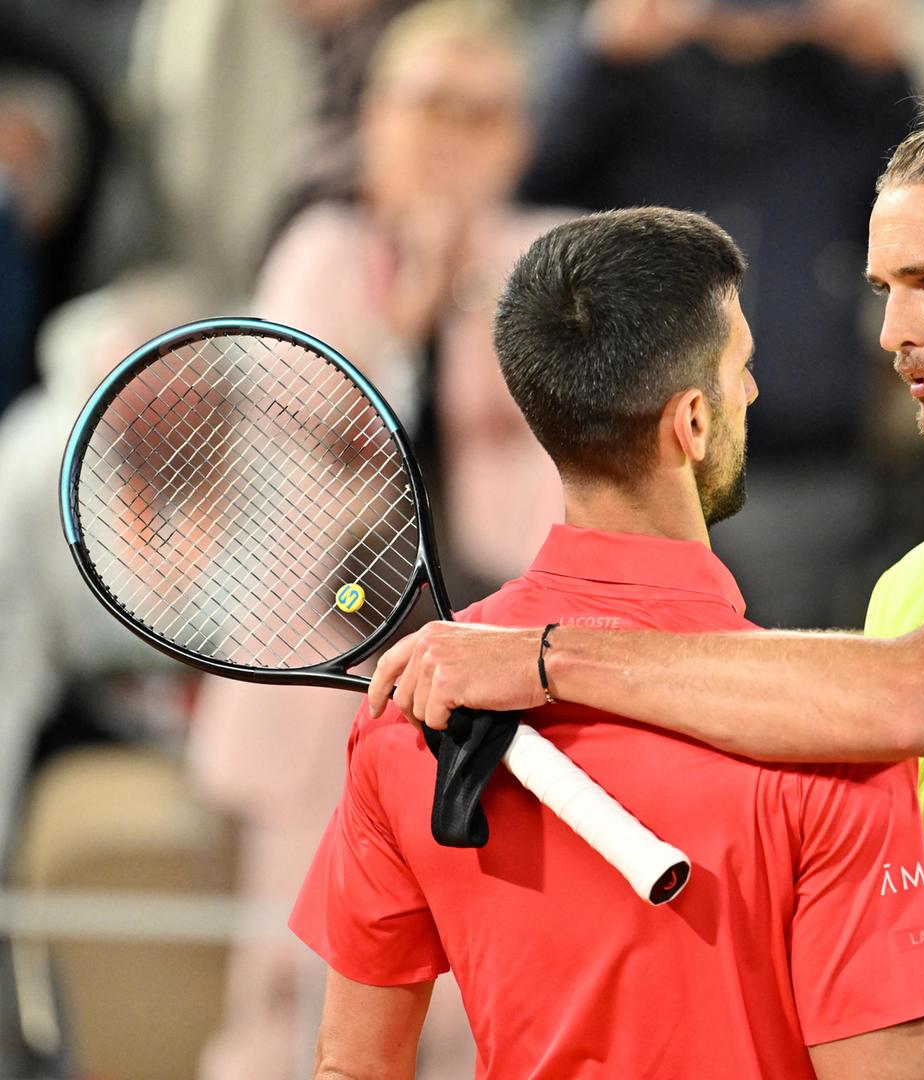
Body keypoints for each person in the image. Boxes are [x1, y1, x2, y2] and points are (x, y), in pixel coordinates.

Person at [371, 108, 924, 1078]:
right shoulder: (914, 586)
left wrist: (546, 657)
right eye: (886, 290)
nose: (894, 332)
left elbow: (911, 695)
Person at [191, 5, 563, 1076]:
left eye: (479, 113)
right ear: (372, 121)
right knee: (296, 997)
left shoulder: (551, 258)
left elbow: (558, 418)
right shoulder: (319, 251)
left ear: (519, 138)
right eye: (426, 105)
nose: (449, 137)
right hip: (326, 677)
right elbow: (315, 410)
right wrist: (406, 318)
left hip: (494, 683)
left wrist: (465, 285)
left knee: (476, 1006)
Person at [518, 0, 923, 628]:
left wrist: (884, 67)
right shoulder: (630, 77)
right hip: (639, 459)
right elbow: (530, 204)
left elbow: (915, 215)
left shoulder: (844, 86)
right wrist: (603, 59)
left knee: (792, 664)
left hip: (806, 461)